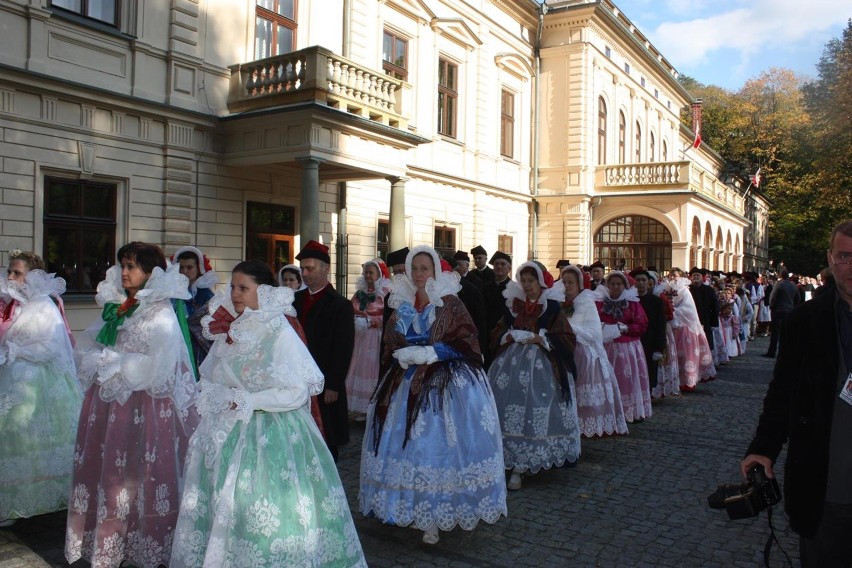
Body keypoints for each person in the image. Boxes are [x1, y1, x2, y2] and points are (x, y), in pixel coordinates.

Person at [171, 260, 366, 568]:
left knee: (268, 516)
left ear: (262, 292)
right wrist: (214, 394)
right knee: (227, 512)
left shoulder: (278, 329)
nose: (235, 294)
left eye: (243, 288)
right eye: (233, 287)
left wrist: (248, 399)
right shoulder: (230, 330)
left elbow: (297, 391)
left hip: (272, 434)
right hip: (227, 433)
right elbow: (209, 375)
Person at [65, 242, 200, 568]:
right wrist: (98, 359)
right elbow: (88, 344)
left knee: (143, 472)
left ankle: (148, 538)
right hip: (111, 406)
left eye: (133, 266)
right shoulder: (117, 305)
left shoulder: (160, 311)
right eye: (123, 265)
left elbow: (160, 364)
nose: (125, 272)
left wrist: (119, 363)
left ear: (151, 273)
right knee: (113, 473)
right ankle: (113, 540)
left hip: (146, 406)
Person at [360, 246, 506, 545]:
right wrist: (400, 353)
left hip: (444, 386)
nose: (418, 274)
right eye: (415, 269)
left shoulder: (449, 303)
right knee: (400, 446)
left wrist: (432, 351)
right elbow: (389, 342)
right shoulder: (400, 303)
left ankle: (436, 515)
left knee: (435, 449)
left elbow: (469, 343)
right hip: (403, 383)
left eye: (424, 268)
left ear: (435, 271)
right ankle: (400, 506)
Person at [741, 220, 852, 567]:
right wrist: (764, 447)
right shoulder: (807, 320)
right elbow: (783, 390)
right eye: (845, 256)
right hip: (828, 483)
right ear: (830, 259)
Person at [0, 251, 82, 527]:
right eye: (9, 271)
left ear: (33, 277)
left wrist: (16, 349)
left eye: (17, 273)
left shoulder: (43, 306)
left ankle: (31, 498)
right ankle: (13, 499)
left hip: (40, 384)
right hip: (14, 379)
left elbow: (51, 346)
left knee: (25, 433)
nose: (10, 277)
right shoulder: (16, 305)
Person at [488, 261, 581, 490]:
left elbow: (567, 337)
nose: (527, 286)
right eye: (524, 281)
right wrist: (508, 336)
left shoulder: (551, 307)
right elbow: (497, 331)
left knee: (535, 406)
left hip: (542, 366)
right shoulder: (513, 304)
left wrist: (542, 339)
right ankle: (505, 457)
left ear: (540, 282)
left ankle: (524, 463)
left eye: (531, 281)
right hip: (510, 363)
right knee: (508, 406)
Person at [293, 240, 355, 462]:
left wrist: (333, 384)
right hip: (298, 378)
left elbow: (343, 348)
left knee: (327, 435)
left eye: (310, 268)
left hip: (324, 379)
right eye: (302, 269)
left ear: (326, 269)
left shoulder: (340, 305)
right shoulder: (295, 299)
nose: (305, 273)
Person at [557, 264, 628, 438]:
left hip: (584, 354)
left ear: (579, 284)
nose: (566, 286)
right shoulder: (558, 302)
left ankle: (586, 423)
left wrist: (569, 329)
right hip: (563, 350)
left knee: (583, 390)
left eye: (570, 282)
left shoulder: (586, 302)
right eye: (564, 282)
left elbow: (594, 332)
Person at [595, 271, 652, 423]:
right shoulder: (600, 302)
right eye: (612, 284)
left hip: (627, 349)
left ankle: (628, 410)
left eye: (619, 284)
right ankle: (609, 411)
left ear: (624, 285)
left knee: (627, 380)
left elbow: (642, 325)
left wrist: (627, 328)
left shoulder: (633, 303)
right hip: (606, 347)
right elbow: (593, 321)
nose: (615, 287)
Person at [345, 258, 390, 418]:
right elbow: (350, 309)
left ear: (379, 274)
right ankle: (359, 407)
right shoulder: (360, 293)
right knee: (358, 366)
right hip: (360, 337)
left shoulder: (385, 292)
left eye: (371, 273)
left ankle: (372, 406)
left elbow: (388, 317)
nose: (368, 276)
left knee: (371, 369)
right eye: (366, 273)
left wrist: (371, 321)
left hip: (374, 337)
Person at [666, 272, 716, 389]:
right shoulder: (664, 289)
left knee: (685, 356)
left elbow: (689, 309)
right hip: (670, 326)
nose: (673, 278)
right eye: (671, 276)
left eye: (676, 276)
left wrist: (673, 311)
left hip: (684, 327)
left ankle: (687, 380)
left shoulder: (685, 290)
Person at [173, 246, 219, 370]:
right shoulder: (171, 292)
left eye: (189, 267)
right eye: (181, 268)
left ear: (198, 269)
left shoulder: (206, 294)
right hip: (175, 346)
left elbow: (210, 324)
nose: (184, 271)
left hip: (197, 348)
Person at [631, 269, 666, 392]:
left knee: (649, 373)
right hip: (632, 342)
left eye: (643, 280)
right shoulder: (628, 301)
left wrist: (659, 348)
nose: (640, 283)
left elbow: (661, 326)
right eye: (638, 280)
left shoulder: (657, 302)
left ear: (648, 282)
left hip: (650, 342)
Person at [764, 270, 801, 358]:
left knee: (775, 332)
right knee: (786, 332)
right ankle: (785, 352)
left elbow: (773, 297)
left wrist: (772, 306)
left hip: (778, 310)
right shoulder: (794, 286)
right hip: (789, 310)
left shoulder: (779, 284)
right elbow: (798, 299)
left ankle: (772, 351)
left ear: (781, 276)